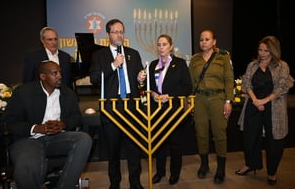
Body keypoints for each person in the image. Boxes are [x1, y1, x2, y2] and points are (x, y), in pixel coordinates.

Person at [2, 60, 92, 189]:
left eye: (60, 72)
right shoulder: (23, 93)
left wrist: (62, 124)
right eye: (54, 73)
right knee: (29, 163)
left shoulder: (67, 93)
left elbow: (77, 118)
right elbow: (9, 122)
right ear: (42, 76)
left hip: (57, 139)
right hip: (29, 139)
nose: (60, 76)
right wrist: (37, 128)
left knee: (84, 139)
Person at [89, 19, 146, 189]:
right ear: (108, 35)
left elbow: (139, 80)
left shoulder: (133, 53)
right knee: (113, 152)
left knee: (134, 150)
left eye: (121, 31)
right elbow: (94, 79)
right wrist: (113, 65)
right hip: (112, 109)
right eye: (115, 32)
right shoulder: (99, 55)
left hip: (131, 107)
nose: (119, 35)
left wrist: (140, 79)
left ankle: (135, 183)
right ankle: (115, 184)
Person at [235, 36, 294, 185]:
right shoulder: (252, 65)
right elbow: (246, 84)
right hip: (253, 105)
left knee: (274, 142)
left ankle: (272, 172)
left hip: (274, 107)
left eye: (266, 51)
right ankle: (250, 164)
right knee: (249, 138)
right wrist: (255, 100)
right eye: (260, 50)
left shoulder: (282, 66)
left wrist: (265, 100)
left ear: (273, 51)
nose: (262, 53)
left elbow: (282, 87)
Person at [189, 29, 234, 184]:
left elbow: (229, 79)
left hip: (218, 99)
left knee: (219, 134)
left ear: (214, 41)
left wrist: (229, 101)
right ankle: (204, 164)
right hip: (200, 99)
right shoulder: (195, 59)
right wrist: (191, 100)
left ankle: (220, 169)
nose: (203, 42)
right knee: (201, 133)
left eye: (207, 39)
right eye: (201, 40)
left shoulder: (223, 57)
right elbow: (192, 82)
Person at [149, 34, 192, 185]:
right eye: (159, 44)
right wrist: (152, 93)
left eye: (164, 44)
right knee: (159, 144)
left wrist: (171, 95)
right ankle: (160, 172)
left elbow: (187, 86)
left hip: (174, 110)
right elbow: (149, 87)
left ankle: (175, 173)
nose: (161, 47)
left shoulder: (179, 64)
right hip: (157, 110)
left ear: (171, 46)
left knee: (175, 144)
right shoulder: (152, 65)